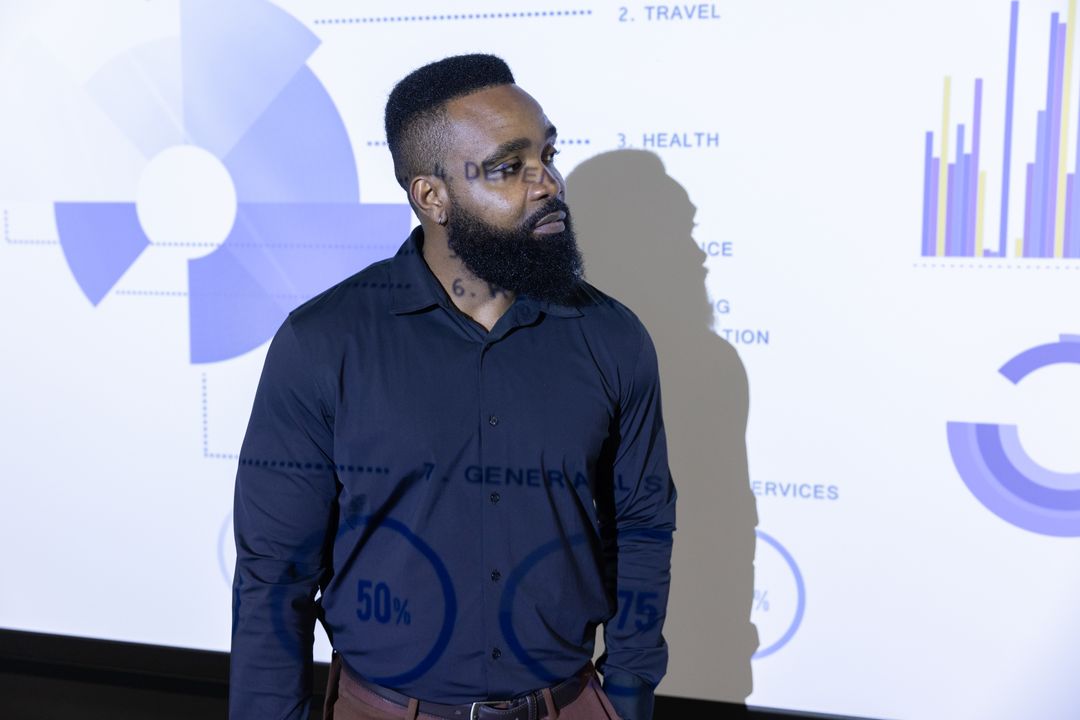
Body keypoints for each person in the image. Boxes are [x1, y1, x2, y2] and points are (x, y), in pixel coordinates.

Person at [229, 54, 676, 720]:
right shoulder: (324, 342)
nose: (548, 183)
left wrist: (631, 693)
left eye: (547, 155)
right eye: (507, 168)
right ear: (431, 196)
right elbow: (273, 575)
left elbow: (643, 527)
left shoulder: (612, 338)